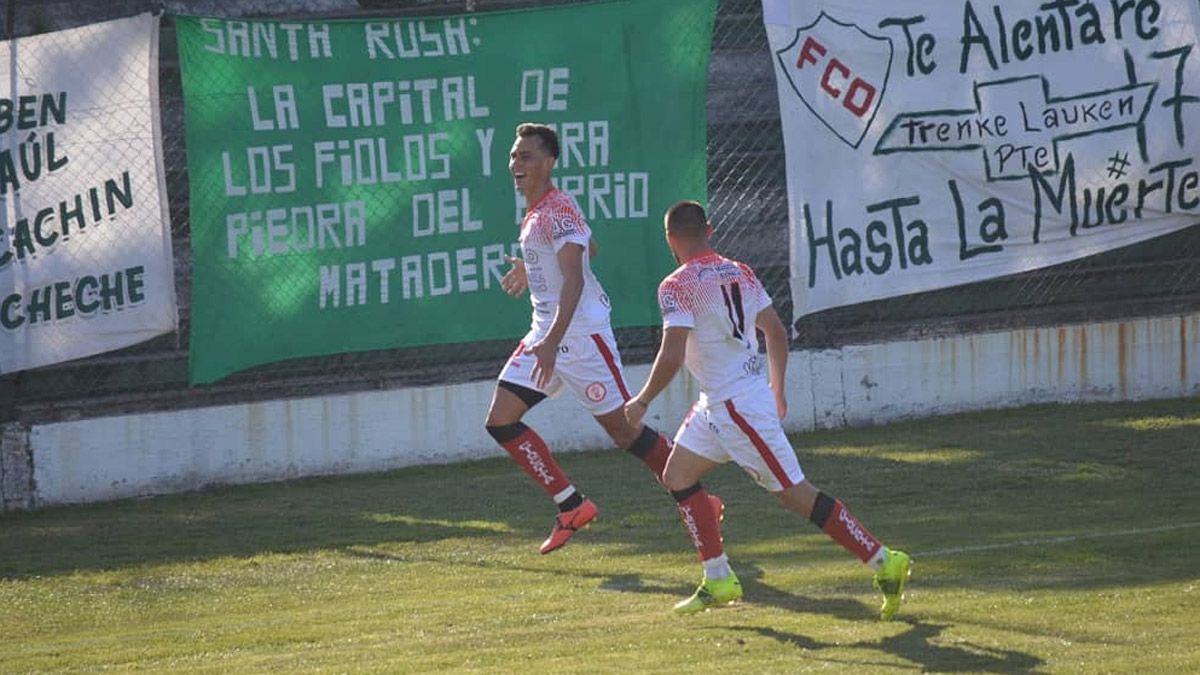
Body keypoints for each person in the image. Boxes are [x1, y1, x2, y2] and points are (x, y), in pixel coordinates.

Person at [624, 200, 911, 619]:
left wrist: (643, 399)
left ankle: (884, 560)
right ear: (710, 229)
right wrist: (777, 390)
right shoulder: (740, 270)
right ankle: (718, 577)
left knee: (795, 495)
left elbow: (671, 353)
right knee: (677, 475)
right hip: (723, 402)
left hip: (737, 407)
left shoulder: (676, 285)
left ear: (670, 239)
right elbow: (775, 331)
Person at [484, 124, 723, 555]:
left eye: (527, 156)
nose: (517, 164)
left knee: (625, 431)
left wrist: (553, 341)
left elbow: (575, 278)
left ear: (549, 162)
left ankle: (699, 498)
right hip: (547, 332)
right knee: (501, 419)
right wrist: (532, 266)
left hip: (578, 336)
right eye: (514, 156)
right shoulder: (543, 210)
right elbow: (588, 248)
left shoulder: (555, 210)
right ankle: (571, 505)